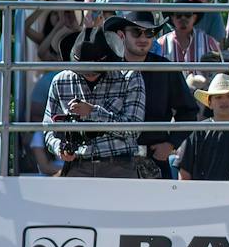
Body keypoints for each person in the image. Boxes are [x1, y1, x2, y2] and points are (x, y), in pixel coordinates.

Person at [42, 29, 151, 178]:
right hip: (78, 165)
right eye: (84, 71)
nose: (90, 75)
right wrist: (59, 148)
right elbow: (48, 129)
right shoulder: (60, 81)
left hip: (119, 165)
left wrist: (93, 112)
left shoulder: (130, 77)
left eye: (95, 71)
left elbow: (134, 129)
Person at [107, 10, 197, 176]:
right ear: (121, 35)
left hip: (155, 159)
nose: (143, 38)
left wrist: (170, 144)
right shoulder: (108, 69)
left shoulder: (166, 69)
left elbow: (189, 111)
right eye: (136, 32)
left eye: (149, 33)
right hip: (114, 159)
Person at [161, 0, 222, 64]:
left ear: (194, 17)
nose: (183, 18)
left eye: (187, 15)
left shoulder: (209, 42)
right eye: (179, 15)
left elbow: (220, 69)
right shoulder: (161, 43)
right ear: (172, 18)